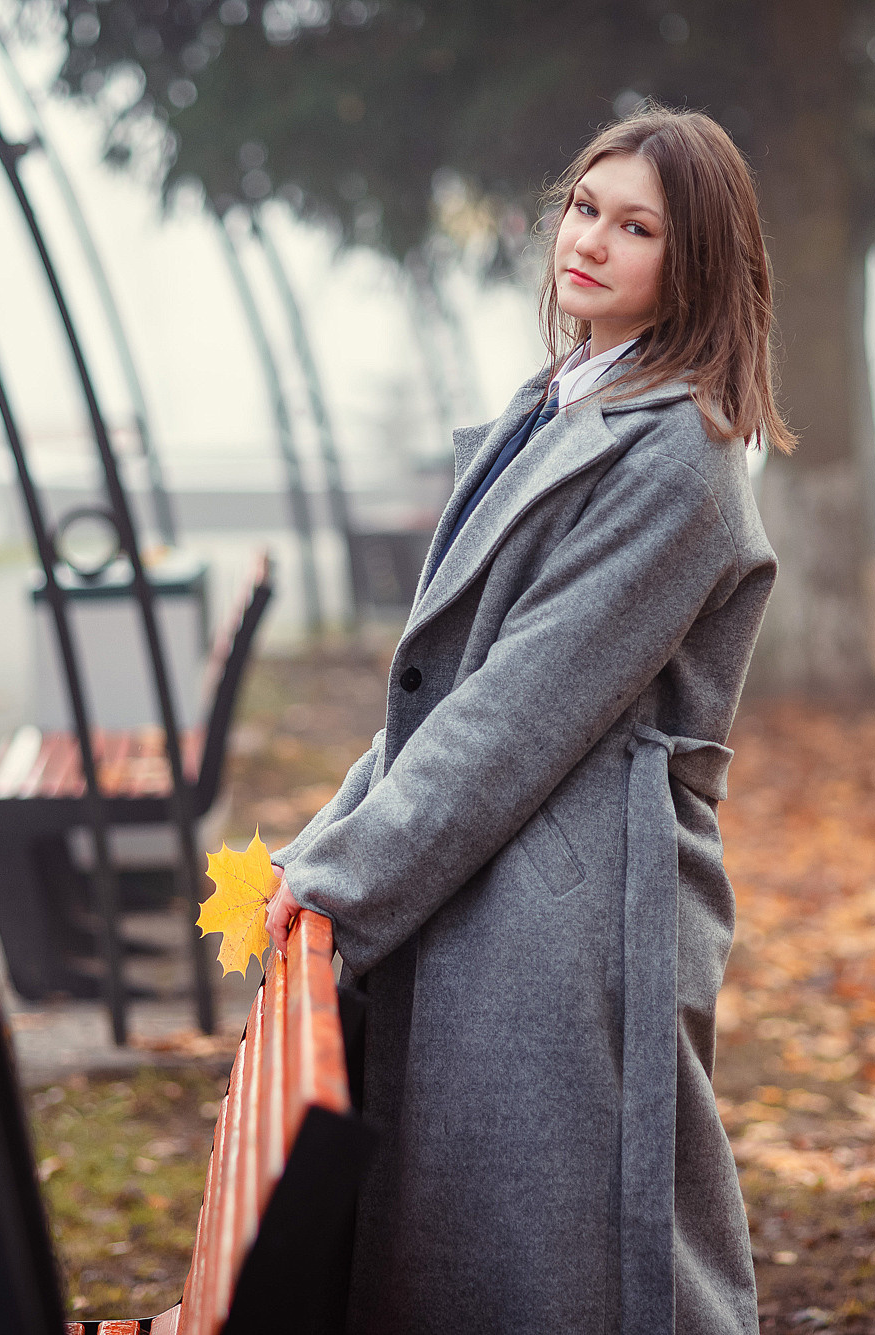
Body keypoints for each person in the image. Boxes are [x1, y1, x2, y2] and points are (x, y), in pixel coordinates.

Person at [262, 104, 791, 1335]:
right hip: (507, 877)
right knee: (473, 1234)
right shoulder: (554, 401)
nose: (590, 241)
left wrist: (344, 880)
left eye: (637, 227)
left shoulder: (679, 463)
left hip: (578, 904)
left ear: (694, 262)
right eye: (584, 208)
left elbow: (515, 711)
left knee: (573, 1257)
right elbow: (445, 692)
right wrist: (320, 846)